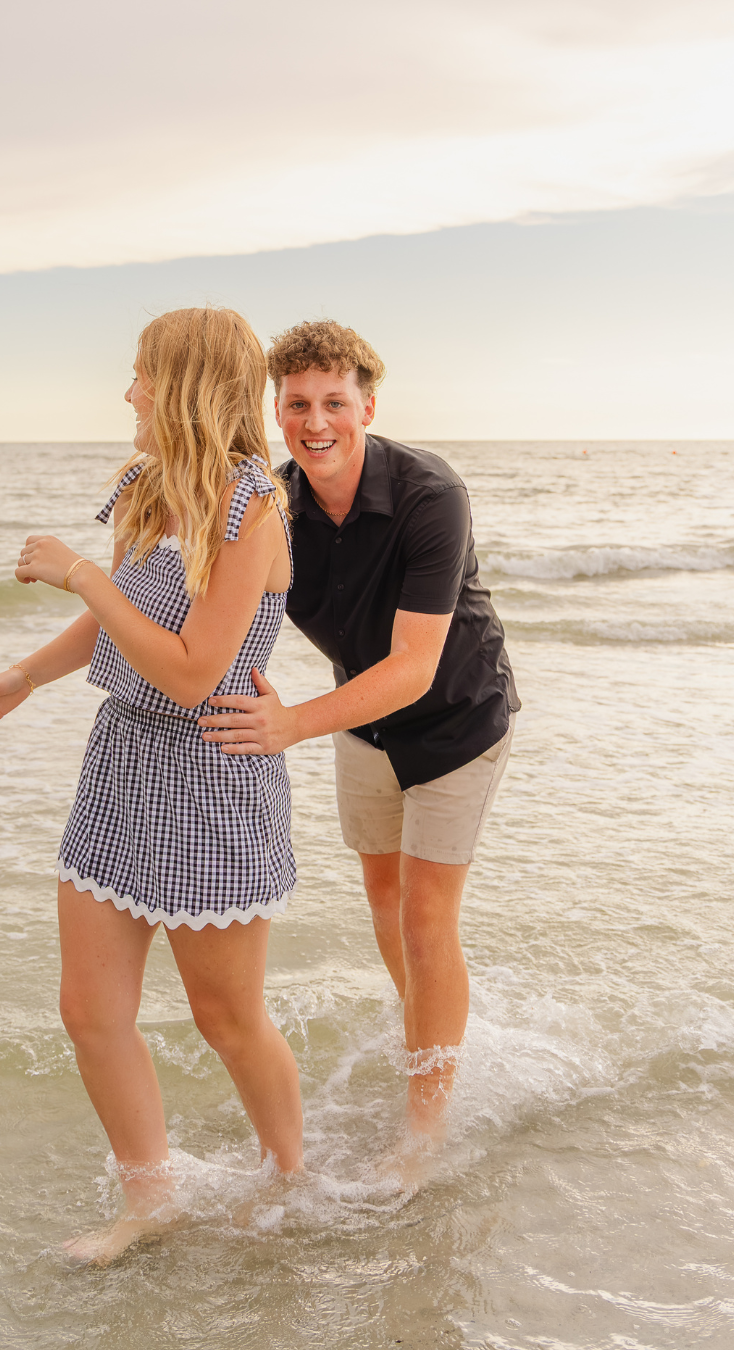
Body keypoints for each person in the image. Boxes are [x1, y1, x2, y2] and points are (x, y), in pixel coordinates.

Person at [0, 307, 302, 1262]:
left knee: (226, 1018)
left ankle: (287, 1179)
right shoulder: (147, 489)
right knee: (88, 1012)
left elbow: (192, 667)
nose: (129, 392)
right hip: (121, 765)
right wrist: (26, 674)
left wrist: (77, 575)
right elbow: (121, 627)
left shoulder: (251, 507)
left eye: (143, 374)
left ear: (185, 384)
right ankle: (150, 1201)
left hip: (212, 778)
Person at [199, 320, 519, 1173]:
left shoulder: (429, 494)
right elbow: (225, 613)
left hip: (456, 717)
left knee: (424, 917)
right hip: (360, 717)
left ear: (366, 406)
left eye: (334, 402)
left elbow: (414, 667)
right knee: (385, 901)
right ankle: (434, 1042)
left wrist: (291, 724)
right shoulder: (272, 504)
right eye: (297, 403)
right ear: (276, 409)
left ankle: (425, 1125)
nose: (316, 422)